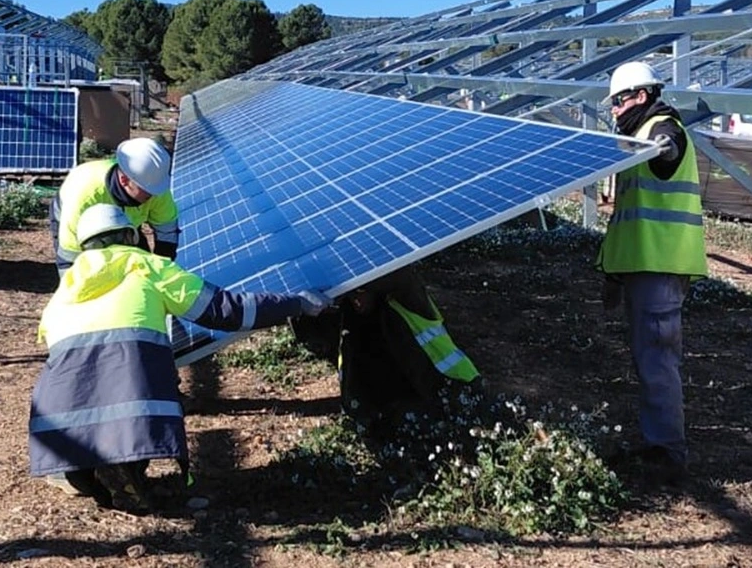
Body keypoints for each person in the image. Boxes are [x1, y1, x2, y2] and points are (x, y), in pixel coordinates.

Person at [29, 204, 331, 513]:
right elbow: (224, 309)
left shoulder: (64, 290)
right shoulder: (147, 266)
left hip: (61, 406)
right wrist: (294, 304)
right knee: (142, 381)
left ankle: (88, 475)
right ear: (131, 235)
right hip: (128, 387)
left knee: (96, 392)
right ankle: (125, 467)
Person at [595, 61, 708, 483]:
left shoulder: (662, 127)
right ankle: (656, 443)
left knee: (658, 360)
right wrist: (612, 273)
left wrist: (664, 143)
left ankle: (667, 454)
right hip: (641, 266)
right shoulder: (635, 137)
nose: (615, 110)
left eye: (620, 101)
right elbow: (628, 215)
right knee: (649, 359)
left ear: (641, 96)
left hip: (661, 265)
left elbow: (669, 151)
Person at [336, 266, 482, 439]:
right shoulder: (353, 321)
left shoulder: (410, 298)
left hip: (453, 384)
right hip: (404, 399)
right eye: (351, 296)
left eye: (360, 292)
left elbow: (400, 275)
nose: (356, 301)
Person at [50, 138, 180, 276]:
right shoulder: (84, 196)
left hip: (126, 222)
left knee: (138, 268)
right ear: (124, 180)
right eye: (147, 191)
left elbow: (167, 236)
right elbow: (70, 260)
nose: (153, 196)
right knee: (93, 272)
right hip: (80, 222)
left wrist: (161, 275)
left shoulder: (155, 189)